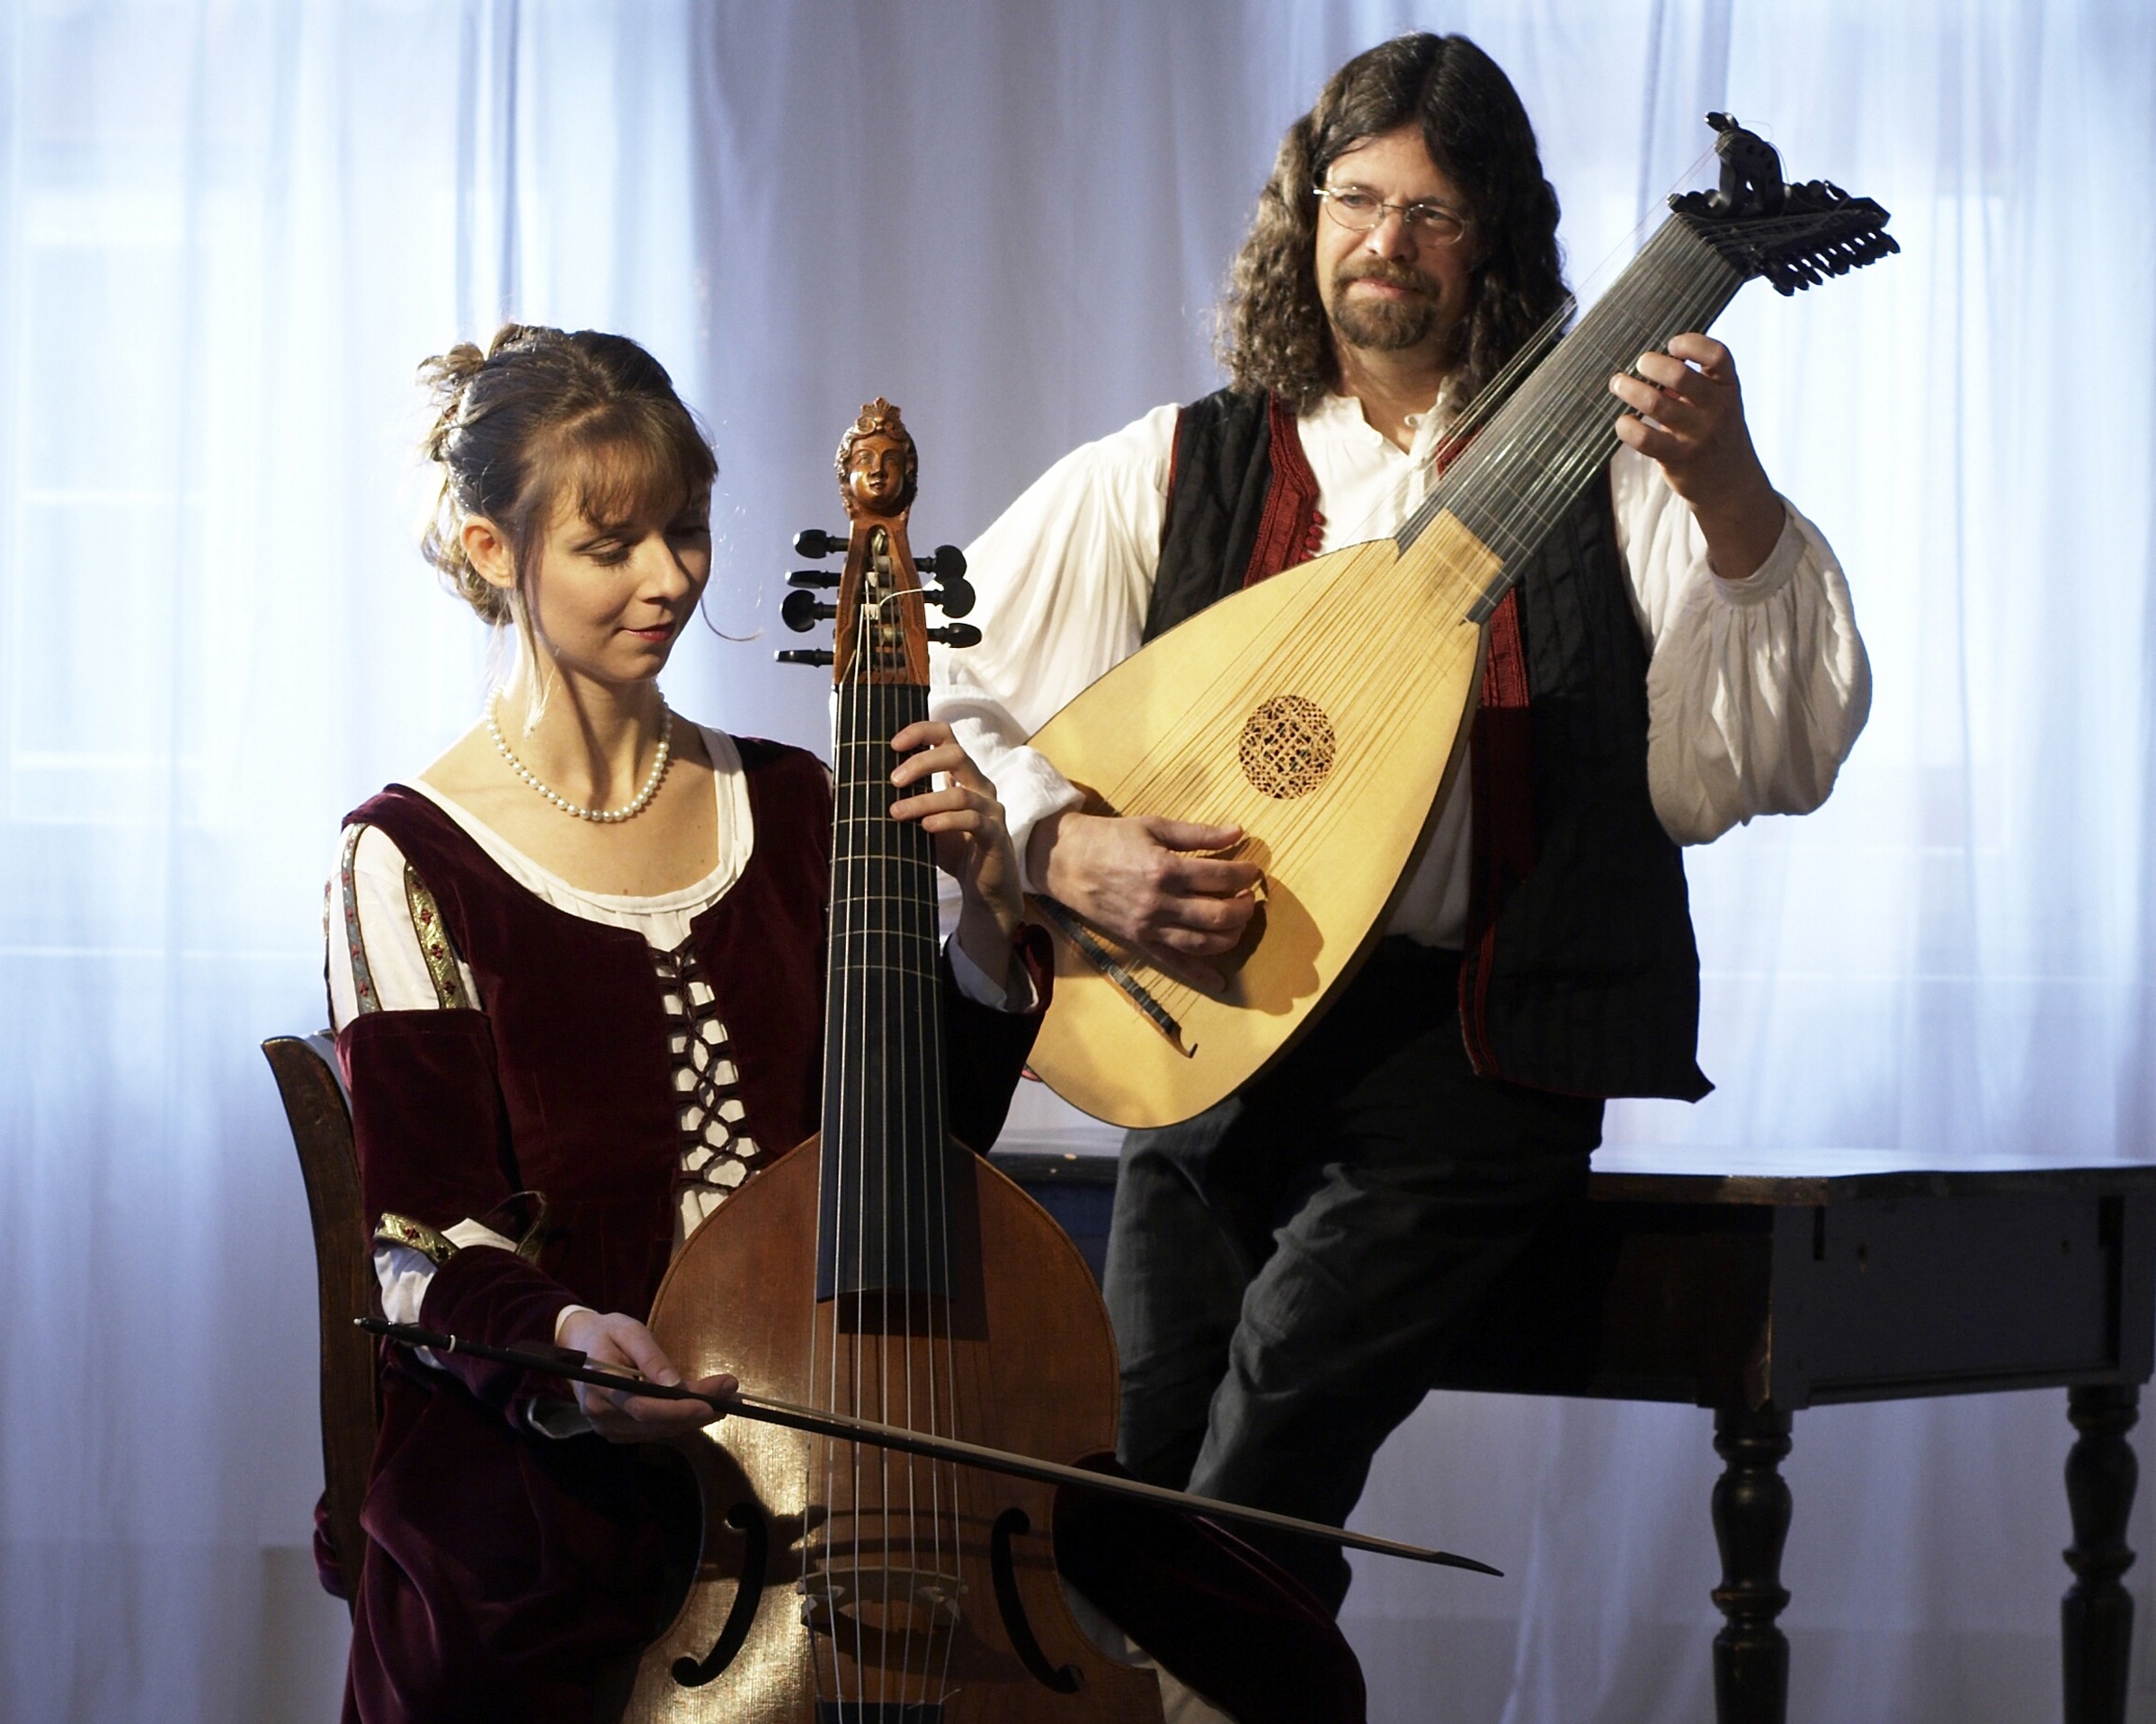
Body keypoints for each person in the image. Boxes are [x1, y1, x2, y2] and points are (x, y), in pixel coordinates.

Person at [931, 31, 1871, 1614]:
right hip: (1209, 1027)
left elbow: (1747, 766)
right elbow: (936, 682)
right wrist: (1061, 847)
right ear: (1302, 215)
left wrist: (1726, 492)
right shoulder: (1178, 465)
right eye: (1355, 199)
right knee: (1121, 1457)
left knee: (1269, 1437)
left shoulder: (1610, 474)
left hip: (1476, 1046)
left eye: (1431, 211)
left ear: (1491, 232)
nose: (1385, 240)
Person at [324, 325, 1044, 1722]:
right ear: (491, 550)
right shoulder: (407, 854)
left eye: (687, 529)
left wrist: (987, 904)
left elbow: (922, 1154)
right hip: (559, 1482)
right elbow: (419, 1238)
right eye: (612, 545)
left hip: (834, 1455)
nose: (668, 578)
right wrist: (567, 1338)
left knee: (1263, 1646)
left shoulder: (799, 804)